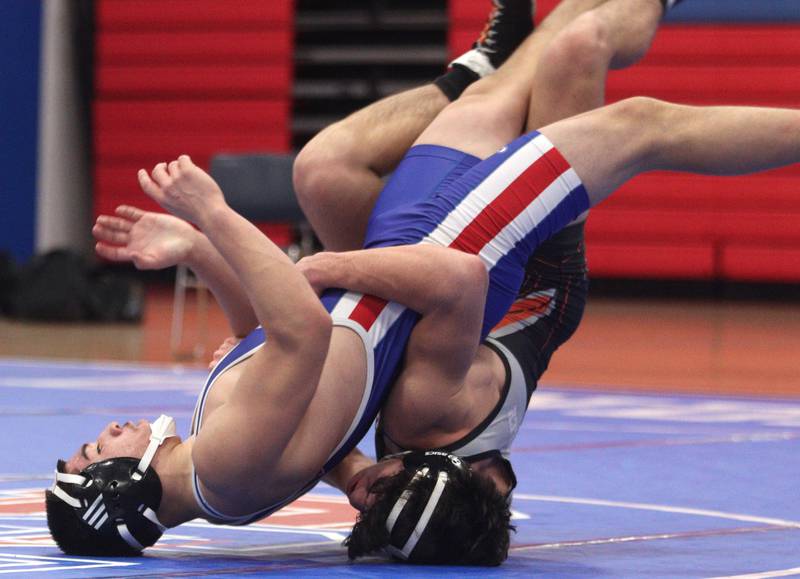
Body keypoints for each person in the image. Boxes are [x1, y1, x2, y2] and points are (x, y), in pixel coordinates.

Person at [53, 0, 800, 569]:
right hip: (451, 247)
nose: (98, 439)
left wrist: (200, 251)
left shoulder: (225, 477)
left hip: (408, 254)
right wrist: (218, 218)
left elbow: (262, 339)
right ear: (121, 484)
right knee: (639, 125)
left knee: (529, 69)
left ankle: (502, 55)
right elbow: (301, 330)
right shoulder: (224, 467)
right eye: (92, 452)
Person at [293, 0, 668, 563]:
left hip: (443, 289)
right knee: (578, 48)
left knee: (323, 173)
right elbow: (459, 281)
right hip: (528, 277)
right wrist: (319, 267)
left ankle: (475, 68)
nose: (374, 491)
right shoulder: (432, 413)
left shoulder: (412, 460)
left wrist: (350, 472)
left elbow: (309, 437)